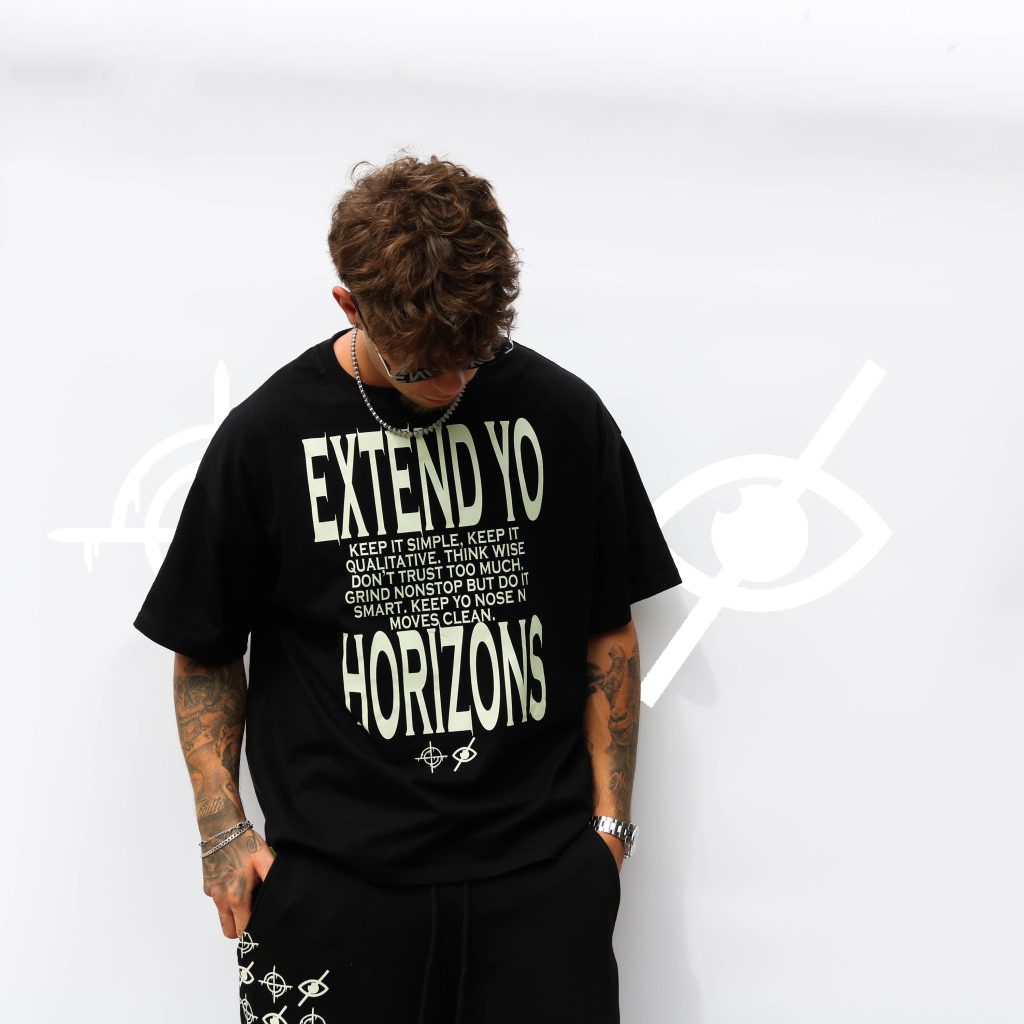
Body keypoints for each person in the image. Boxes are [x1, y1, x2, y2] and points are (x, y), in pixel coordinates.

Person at [133, 153, 682, 1024]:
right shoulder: (267, 438)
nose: (457, 382)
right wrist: (221, 832)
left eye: (476, 353)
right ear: (350, 305)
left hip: (539, 889)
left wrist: (609, 834)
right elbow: (205, 649)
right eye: (427, 364)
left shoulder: (563, 416)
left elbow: (606, 629)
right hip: (334, 894)